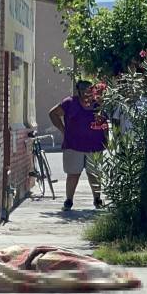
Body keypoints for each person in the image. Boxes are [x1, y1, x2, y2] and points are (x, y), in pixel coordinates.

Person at [49, 79, 107, 211]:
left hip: (95, 145)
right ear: (78, 90)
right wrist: (64, 130)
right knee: (73, 174)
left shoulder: (98, 103)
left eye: (89, 89)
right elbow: (53, 113)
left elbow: (105, 121)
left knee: (95, 174)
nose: (86, 92)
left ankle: (97, 199)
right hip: (73, 144)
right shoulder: (70, 103)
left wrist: (107, 138)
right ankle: (69, 200)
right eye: (83, 89)